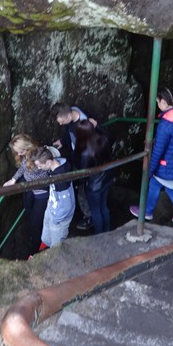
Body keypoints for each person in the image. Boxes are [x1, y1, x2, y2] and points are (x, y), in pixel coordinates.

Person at [130, 87, 173, 231]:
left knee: (155, 182)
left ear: (164, 102)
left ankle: (147, 211)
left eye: (158, 102)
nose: (157, 105)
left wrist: (150, 170)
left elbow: (158, 151)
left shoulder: (165, 125)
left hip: (169, 166)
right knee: (170, 188)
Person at [3, 134, 53, 256]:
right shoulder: (26, 155)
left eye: (20, 151)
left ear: (26, 147)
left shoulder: (38, 156)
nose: (18, 154)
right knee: (30, 214)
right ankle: (35, 240)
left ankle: (35, 251)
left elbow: (38, 170)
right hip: (31, 189)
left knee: (36, 223)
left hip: (42, 192)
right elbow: (22, 168)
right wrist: (13, 179)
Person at [51, 102, 97, 231]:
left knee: (83, 190)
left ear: (68, 116)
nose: (61, 124)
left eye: (61, 121)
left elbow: (88, 152)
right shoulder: (74, 111)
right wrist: (63, 141)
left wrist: (82, 174)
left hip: (85, 162)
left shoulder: (82, 125)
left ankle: (89, 217)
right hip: (77, 158)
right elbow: (68, 132)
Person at [74, 119, 114, 234]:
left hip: (94, 186)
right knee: (104, 207)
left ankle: (99, 235)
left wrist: (76, 183)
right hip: (106, 178)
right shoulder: (103, 139)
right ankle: (107, 231)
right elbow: (112, 137)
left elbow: (83, 174)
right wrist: (98, 125)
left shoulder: (85, 152)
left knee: (96, 211)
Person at [31, 146, 76, 248]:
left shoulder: (60, 180)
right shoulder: (57, 165)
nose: (39, 168)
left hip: (59, 218)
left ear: (48, 162)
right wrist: (49, 208)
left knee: (56, 247)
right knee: (46, 239)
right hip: (52, 209)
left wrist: (55, 219)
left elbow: (66, 206)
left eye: (40, 166)